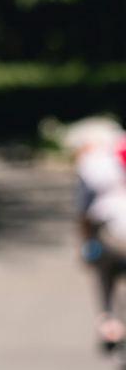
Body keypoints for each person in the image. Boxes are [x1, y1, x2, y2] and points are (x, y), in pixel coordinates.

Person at [61, 116, 126, 349]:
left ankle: (109, 322)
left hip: (113, 237)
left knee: (104, 272)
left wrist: (86, 244)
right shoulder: (120, 152)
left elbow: (84, 214)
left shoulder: (92, 165)